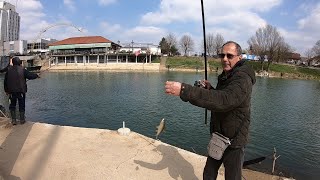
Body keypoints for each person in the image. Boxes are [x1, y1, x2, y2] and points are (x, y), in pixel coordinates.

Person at [165, 41, 256, 180]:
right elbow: (221, 98)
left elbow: (225, 101)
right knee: (209, 173)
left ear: (240, 57)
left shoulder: (242, 78)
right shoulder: (227, 74)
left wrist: (185, 90)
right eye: (222, 55)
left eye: (229, 56)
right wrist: (210, 90)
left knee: (232, 177)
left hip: (234, 140)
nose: (224, 59)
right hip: (219, 136)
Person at [4, 57, 39, 125]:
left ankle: (14, 120)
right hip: (21, 91)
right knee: (21, 105)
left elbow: (5, 82)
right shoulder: (23, 70)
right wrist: (36, 75)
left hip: (11, 92)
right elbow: (30, 76)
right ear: (19, 62)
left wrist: (6, 91)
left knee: (12, 105)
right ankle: (22, 120)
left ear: (13, 63)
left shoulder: (8, 70)